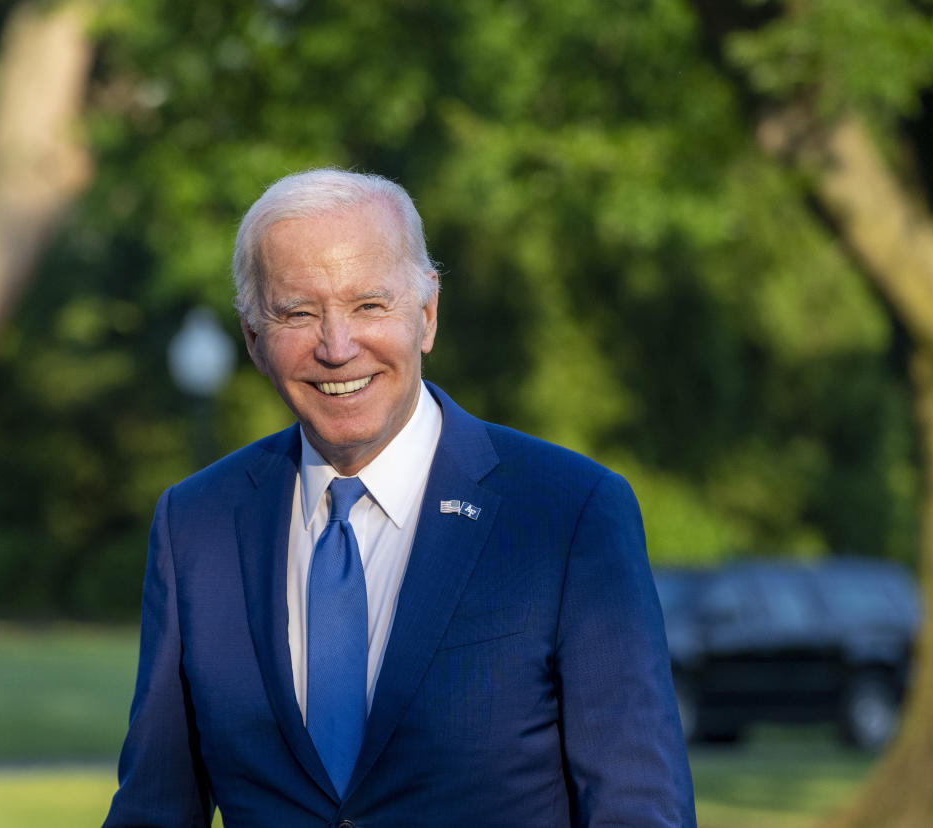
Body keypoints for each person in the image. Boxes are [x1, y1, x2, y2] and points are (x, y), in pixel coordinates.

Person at [103, 169, 696, 827]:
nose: (337, 346)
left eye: (369, 305)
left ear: (427, 314)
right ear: (252, 338)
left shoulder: (568, 512)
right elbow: (155, 808)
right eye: (299, 313)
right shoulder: (196, 525)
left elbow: (637, 805)